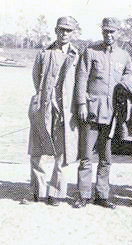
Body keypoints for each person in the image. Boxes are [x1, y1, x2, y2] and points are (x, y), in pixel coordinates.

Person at [73, 17, 132, 209]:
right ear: (102, 32)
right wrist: (81, 104)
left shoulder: (124, 56)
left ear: (118, 33)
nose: (109, 35)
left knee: (106, 157)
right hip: (91, 110)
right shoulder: (90, 52)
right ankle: (83, 194)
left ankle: (102, 195)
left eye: (113, 31)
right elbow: (81, 80)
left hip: (112, 113)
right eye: (106, 31)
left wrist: (124, 112)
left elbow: (129, 84)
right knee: (86, 156)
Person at [27, 16, 80, 206]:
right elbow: (36, 78)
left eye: (68, 30)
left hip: (65, 111)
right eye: (61, 29)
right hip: (44, 107)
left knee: (63, 152)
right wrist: (43, 98)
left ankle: (56, 193)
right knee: (36, 150)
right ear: (56, 30)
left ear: (73, 33)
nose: (64, 33)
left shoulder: (77, 56)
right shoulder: (44, 54)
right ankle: (38, 191)